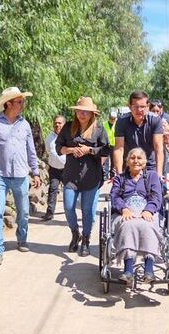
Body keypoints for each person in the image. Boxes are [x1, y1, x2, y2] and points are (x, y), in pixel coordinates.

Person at [0, 86, 41, 266]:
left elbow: (31, 150)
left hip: (21, 175)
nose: (23, 105)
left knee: (23, 212)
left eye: (22, 101)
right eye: (19, 102)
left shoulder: (25, 124)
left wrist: (35, 171)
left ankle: (22, 239)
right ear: (8, 104)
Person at [56, 97, 110, 256]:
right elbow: (59, 147)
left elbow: (106, 150)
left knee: (87, 211)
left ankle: (86, 239)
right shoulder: (67, 127)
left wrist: (90, 150)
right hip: (71, 175)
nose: (82, 114)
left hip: (91, 176)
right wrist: (71, 150)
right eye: (79, 111)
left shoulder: (99, 129)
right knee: (68, 207)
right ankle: (75, 233)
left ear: (92, 113)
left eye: (86, 111)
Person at [111, 147, 163, 284]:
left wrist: (148, 210)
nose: (136, 161)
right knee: (127, 225)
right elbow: (114, 196)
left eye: (139, 158)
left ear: (145, 162)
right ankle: (128, 270)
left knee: (149, 225)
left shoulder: (152, 176)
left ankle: (149, 269)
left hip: (146, 212)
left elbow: (157, 196)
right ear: (127, 161)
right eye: (132, 158)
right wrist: (124, 209)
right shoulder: (120, 178)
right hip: (126, 212)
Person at [113, 91, 164, 177]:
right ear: (129, 106)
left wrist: (159, 173)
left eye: (142, 107)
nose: (139, 110)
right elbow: (119, 149)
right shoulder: (121, 121)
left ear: (147, 107)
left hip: (150, 166)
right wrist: (119, 174)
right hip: (130, 166)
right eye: (135, 107)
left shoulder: (155, 120)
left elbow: (158, 148)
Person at [42, 115, 67, 221]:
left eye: (59, 123)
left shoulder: (69, 136)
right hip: (54, 169)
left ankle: (70, 212)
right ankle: (50, 212)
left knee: (69, 191)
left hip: (67, 169)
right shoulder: (49, 138)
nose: (57, 125)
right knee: (52, 189)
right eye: (55, 123)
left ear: (64, 124)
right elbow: (48, 151)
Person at [102, 111, 118, 179]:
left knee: (114, 161)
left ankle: (112, 174)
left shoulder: (118, 125)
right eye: (111, 118)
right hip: (106, 144)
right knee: (106, 160)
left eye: (114, 118)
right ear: (109, 117)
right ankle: (105, 174)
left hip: (115, 145)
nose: (112, 120)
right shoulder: (104, 124)